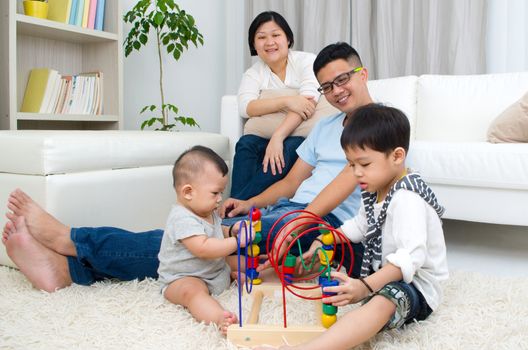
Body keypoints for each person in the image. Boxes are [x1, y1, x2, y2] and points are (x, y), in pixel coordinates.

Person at [2, 42, 373, 291]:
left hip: (322, 227)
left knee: (192, 244)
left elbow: (346, 180)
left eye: (342, 79)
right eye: (327, 87)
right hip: (288, 212)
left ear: (362, 74)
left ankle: (73, 240)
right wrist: (249, 203)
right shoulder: (326, 126)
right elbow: (292, 181)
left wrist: (298, 222)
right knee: (195, 238)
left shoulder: (381, 124)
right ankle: (69, 270)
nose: (336, 91)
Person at [257, 104, 449, 350]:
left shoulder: (407, 198)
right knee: (327, 247)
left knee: (383, 301)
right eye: (351, 165)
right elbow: (359, 227)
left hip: (415, 283)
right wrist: (324, 240)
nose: (357, 173)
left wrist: (365, 287)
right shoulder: (374, 187)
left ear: (397, 156)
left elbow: (409, 258)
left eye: (364, 164)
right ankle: (278, 273)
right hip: (380, 261)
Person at [157, 146, 250, 334]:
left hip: (213, 269)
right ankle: (219, 318)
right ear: (188, 192)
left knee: (246, 261)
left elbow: (215, 232)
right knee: (192, 293)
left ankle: (272, 270)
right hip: (184, 277)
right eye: (215, 193)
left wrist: (231, 230)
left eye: (221, 193)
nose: (220, 199)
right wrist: (236, 242)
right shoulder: (181, 218)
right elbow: (203, 247)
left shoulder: (208, 210)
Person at [231, 11, 320, 200]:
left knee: (291, 147)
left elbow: (308, 100)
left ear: (288, 39)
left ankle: (236, 206)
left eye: (276, 35)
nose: (269, 42)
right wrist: (287, 101)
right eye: (261, 37)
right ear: (254, 44)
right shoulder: (253, 73)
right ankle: (237, 207)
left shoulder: (307, 61)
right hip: (263, 137)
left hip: (298, 136)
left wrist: (278, 137)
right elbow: (245, 107)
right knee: (246, 144)